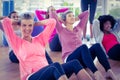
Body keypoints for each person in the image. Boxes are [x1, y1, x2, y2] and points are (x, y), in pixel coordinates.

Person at [0, 13, 93, 80]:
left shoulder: (39, 39)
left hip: (49, 72)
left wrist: (36, 23)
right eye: (24, 25)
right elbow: (5, 22)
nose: (27, 28)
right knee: (55, 66)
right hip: (32, 76)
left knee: (75, 63)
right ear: (20, 26)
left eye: (30, 25)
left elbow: (52, 22)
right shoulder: (16, 42)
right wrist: (19, 21)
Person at [50, 9, 117, 80]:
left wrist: (77, 18)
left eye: (73, 16)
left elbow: (87, 13)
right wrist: (56, 15)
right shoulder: (61, 30)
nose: (72, 17)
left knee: (96, 46)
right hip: (70, 59)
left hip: (83, 59)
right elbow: (52, 16)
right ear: (64, 20)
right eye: (69, 16)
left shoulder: (79, 28)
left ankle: (108, 70)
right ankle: (96, 72)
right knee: (83, 47)